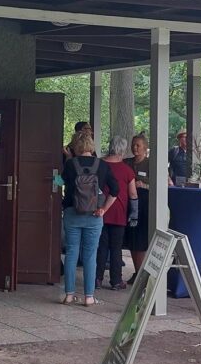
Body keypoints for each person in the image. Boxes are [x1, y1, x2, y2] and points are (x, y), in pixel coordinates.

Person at [60, 131, 119, 306]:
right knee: (90, 255)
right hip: (94, 216)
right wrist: (103, 209)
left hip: (72, 213)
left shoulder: (71, 165)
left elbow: (60, 182)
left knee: (71, 253)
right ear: (91, 146)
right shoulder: (102, 165)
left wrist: (52, 178)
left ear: (75, 147)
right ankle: (89, 297)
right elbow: (115, 190)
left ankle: (69, 295)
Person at [95, 136, 138, 290]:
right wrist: (134, 214)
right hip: (119, 212)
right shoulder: (127, 170)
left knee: (101, 246)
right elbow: (133, 194)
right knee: (116, 247)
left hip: (99, 211)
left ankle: (97, 278)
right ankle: (116, 280)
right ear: (123, 149)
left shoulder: (99, 164)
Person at [123, 133, 151, 280]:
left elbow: (164, 183)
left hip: (144, 206)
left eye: (138, 145)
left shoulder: (151, 163)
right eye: (133, 145)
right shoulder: (126, 162)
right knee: (132, 239)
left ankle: (142, 273)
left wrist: (144, 185)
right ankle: (137, 271)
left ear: (145, 148)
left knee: (141, 239)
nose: (135, 148)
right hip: (128, 206)